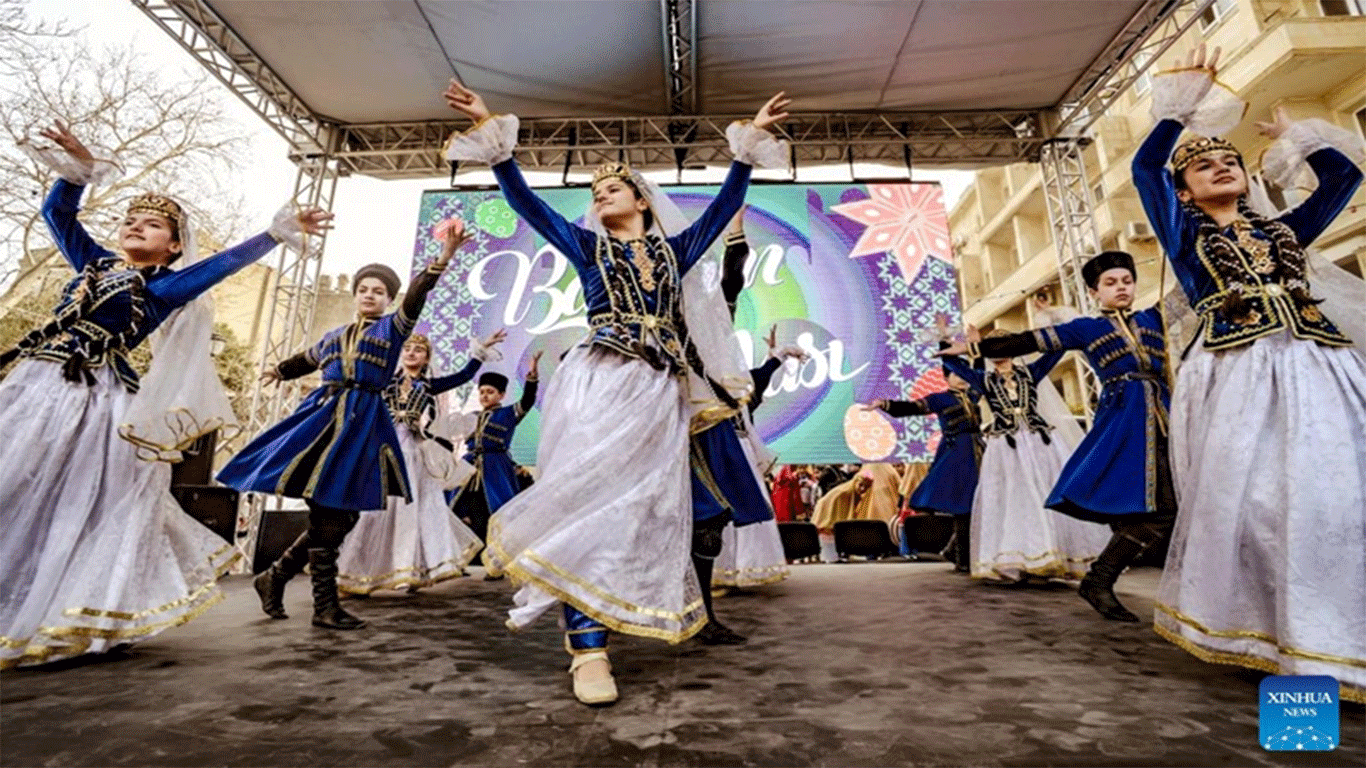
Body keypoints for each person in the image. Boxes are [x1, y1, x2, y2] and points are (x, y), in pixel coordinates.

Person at [443, 78, 790, 705]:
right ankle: (589, 653)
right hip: (600, 380)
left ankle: (603, 625)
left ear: (642, 200)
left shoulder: (677, 249)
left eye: (613, 188)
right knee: (587, 504)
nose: (601, 196)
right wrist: (494, 135)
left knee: (640, 514)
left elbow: (720, 210)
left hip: (661, 393)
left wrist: (747, 149)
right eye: (596, 191)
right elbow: (526, 205)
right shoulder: (585, 247)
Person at [0, 121, 328, 668]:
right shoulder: (93, 263)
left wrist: (274, 234)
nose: (135, 227)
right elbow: (58, 216)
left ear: (172, 247)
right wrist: (77, 172)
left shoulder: (162, 289)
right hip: (39, 384)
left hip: (95, 401)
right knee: (14, 484)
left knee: (78, 504)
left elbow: (218, 267)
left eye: (152, 225)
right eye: (129, 220)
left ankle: (77, 608)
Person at [1134, 46, 1365, 701]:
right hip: (1237, 374)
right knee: (1260, 502)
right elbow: (1145, 165)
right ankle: (1271, 638)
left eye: (1230, 160)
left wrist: (1298, 136)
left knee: (1335, 497)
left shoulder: (1289, 229)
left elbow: (1342, 178)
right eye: (1204, 167)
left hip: (1321, 368)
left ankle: (1335, 633)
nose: (1222, 167)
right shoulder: (1184, 238)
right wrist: (1178, 110)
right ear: (1184, 192)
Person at [219, 219, 472, 630]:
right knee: (330, 512)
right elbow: (307, 358)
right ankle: (322, 606)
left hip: (363, 421)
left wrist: (443, 259)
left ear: (389, 299)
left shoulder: (394, 329)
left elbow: (419, 296)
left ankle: (277, 576)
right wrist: (279, 372)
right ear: (355, 296)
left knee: (342, 514)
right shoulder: (334, 336)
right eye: (363, 289)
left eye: (378, 291)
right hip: (325, 417)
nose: (369, 295)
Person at [940, 252, 1174, 620]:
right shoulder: (1087, 328)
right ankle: (1099, 578)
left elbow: (1191, 295)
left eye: (1126, 281)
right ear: (1095, 292)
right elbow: (1027, 341)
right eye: (1110, 284)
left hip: (1167, 414)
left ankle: (1102, 580)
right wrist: (974, 348)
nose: (1121, 289)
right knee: (1159, 507)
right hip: (1124, 421)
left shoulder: (1153, 317)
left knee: (1171, 505)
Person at [336, 330, 505, 596]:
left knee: (414, 509)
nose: (411, 353)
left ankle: (409, 570)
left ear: (426, 358)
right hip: (385, 448)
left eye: (419, 350)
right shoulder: (385, 382)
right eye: (408, 349)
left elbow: (461, 377)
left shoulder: (427, 386)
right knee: (375, 512)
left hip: (413, 451)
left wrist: (480, 351)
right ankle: (357, 574)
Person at [941, 331, 1109, 583]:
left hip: (1039, 443)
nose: (999, 353)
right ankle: (1020, 559)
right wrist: (951, 343)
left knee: (1045, 493)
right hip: (1006, 448)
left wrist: (1053, 326)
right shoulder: (983, 379)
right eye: (993, 348)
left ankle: (1050, 556)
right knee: (1013, 498)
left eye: (1004, 346)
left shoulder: (1031, 372)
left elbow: (1056, 350)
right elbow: (951, 363)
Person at [866, 344, 983, 571]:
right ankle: (962, 558)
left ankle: (953, 551)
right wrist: (886, 404)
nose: (960, 378)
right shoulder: (940, 399)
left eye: (963, 374)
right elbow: (913, 407)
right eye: (955, 375)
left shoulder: (975, 394)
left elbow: (980, 372)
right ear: (946, 379)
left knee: (977, 504)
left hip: (977, 451)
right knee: (963, 505)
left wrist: (974, 348)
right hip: (956, 455)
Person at [447, 354, 542, 578]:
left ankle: (498, 564)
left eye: (490, 392)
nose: (485, 395)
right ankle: (456, 561)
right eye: (481, 392)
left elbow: (527, 401)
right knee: (455, 511)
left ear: (501, 395)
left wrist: (532, 376)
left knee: (498, 515)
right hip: (470, 468)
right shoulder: (471, 417)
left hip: (496, 468)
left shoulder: (508, 414)